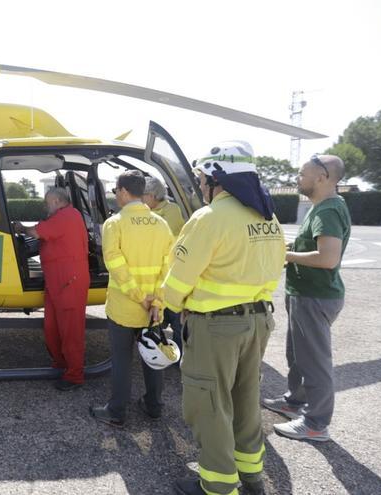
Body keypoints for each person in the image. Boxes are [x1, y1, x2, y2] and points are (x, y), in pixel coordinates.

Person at [162, 141, 285, 495]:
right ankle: (252, 475)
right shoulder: (268, 216)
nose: (200, 186)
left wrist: (175, 303)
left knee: (210, 403)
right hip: (259, 320)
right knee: (246, 397)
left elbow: (178, 280)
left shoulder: (209, 218)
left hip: (216, 326)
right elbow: (276, 265)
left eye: (202, 179)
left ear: (218, 179)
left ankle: (217, 485)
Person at [262, 154, 351, 443]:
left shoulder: (327, 211)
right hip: (305, 295)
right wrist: (292, 247)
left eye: (302, 174)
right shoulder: (321, 208)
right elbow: (312, 247)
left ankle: (316, 423)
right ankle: (294, 402)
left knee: (315, 362)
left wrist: (283, 255)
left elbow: (327, 258)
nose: (297, 179)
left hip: (316, 296)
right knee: (298, 354)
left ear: (322, 177)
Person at [88, 170, 173, 426]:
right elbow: (169, 268)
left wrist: (138, 296)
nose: (116, 196)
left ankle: (117, 411)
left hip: (125, 307)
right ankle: (154, 405)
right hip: (153, 310)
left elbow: (115, 264)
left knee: (122, 360)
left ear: (124, 192)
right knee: (152, 357)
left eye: (116, 191)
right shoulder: (161, 224)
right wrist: (156, 301)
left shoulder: (115, 223)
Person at [15, 187, 89, 391]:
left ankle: (75, 375)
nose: (45, 207)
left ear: (57, 201)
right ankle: (61, 363)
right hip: (58, 282)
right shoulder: (65, 217)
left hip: (69, 282)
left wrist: (20, 228)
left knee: (71, 330)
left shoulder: (66, 216)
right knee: (53, 327)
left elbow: (38, 231)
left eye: (47, 203)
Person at [143, 175, 187, 351]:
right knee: (156, 322)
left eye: (143, 195)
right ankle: (160, 353)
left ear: (153, 195)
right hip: (154, 277)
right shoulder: (146, 211)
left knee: (176, 321)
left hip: (170, 275)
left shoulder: (171, 210)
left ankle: (179, 358)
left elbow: (166, 241)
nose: (141, 198)